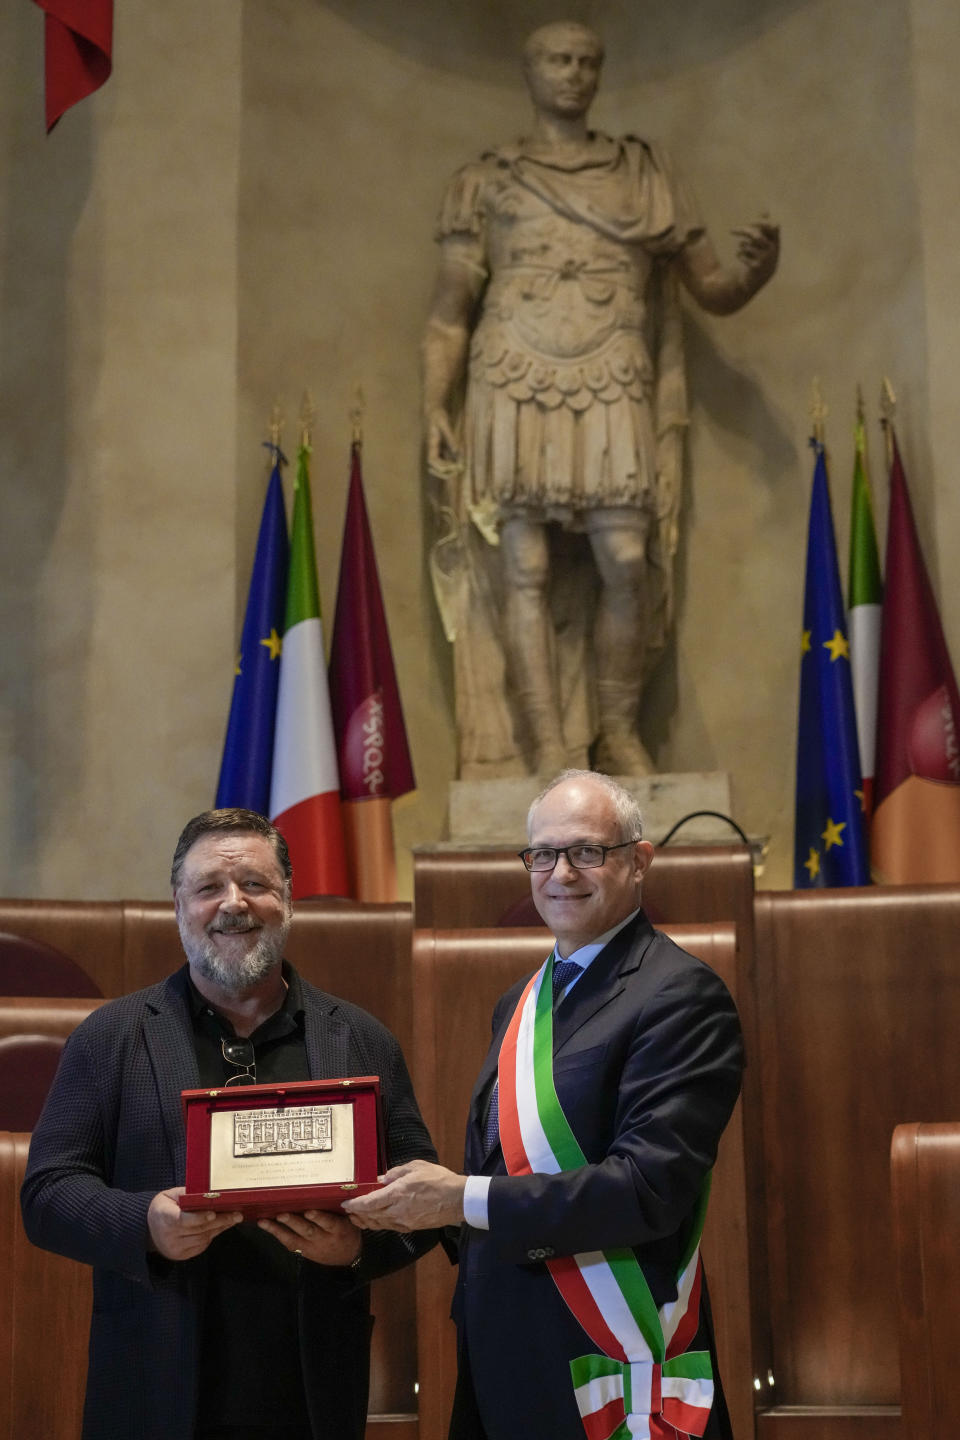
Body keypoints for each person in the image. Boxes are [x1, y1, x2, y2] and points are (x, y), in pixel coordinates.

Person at [423, 21, 779, 778]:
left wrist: (754, 276)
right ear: (530, 72)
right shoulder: (486, 180)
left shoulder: (643, 174)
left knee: (624, 556)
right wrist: (434, 406)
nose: (574, 73)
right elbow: (450, 312)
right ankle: (551, 749)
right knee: (524, 567)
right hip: (513, 372)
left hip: (613, 370)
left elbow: (709, 286)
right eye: (558, 59)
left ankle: (618, 729)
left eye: (588, 61)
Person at [344, 769, 744, 1440]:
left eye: (587, 851)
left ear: (639, 861)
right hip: (501, 1353)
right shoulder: (521, 1000)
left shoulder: (681, 996)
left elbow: (646, 1190)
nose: (560, 873)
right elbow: (498, 1171)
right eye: (542, 854)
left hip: (609, 1356)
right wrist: (382, 1214)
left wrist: (457, 1199)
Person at [21, 808, 438, 1440]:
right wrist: (147, 1225)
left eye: (257, 886)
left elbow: (422, 1200)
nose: (233, 904)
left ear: (288, 900)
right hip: (154, 1384)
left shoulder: (359, 1039)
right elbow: (47, 1194)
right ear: (179, 904)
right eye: (209, 887)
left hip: (312, 1389)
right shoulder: (112, 1038)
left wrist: (358, 1249)